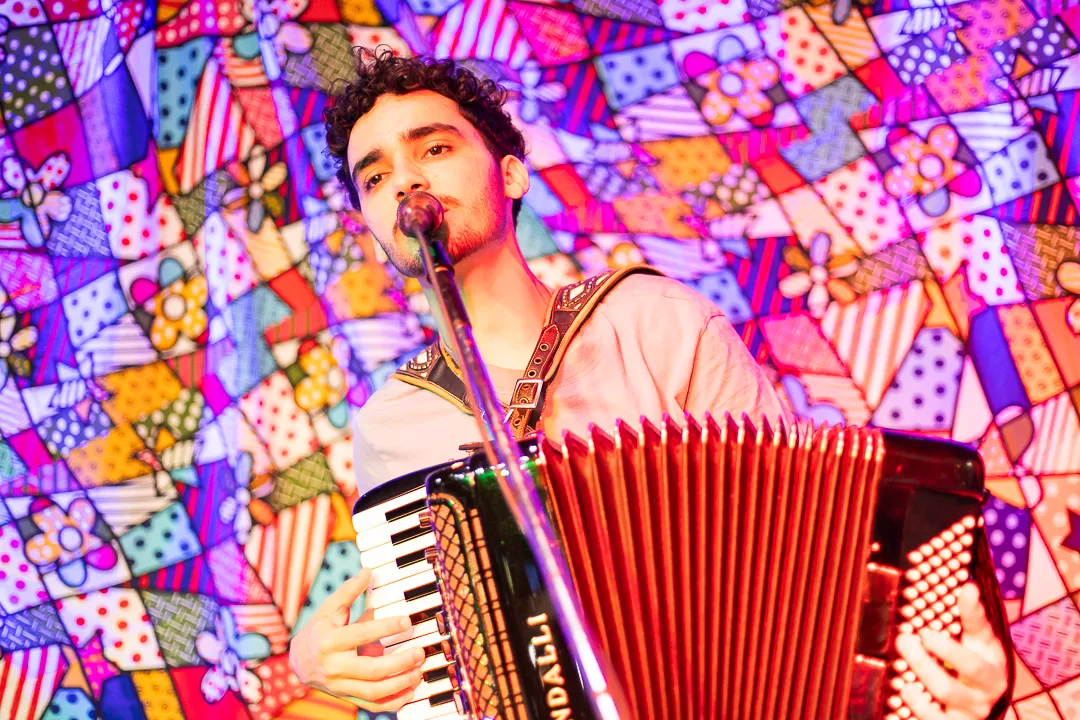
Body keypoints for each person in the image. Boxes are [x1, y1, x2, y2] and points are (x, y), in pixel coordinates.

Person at [288, 46, 1011, 719]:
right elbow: (433, 660)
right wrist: (313, 661)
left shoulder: (656, 318)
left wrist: (942, 685)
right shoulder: (390, 427)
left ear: (509, 175)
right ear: (371, 226)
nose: (406, 180)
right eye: (374, 176)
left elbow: (807, 562)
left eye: (435, 148)